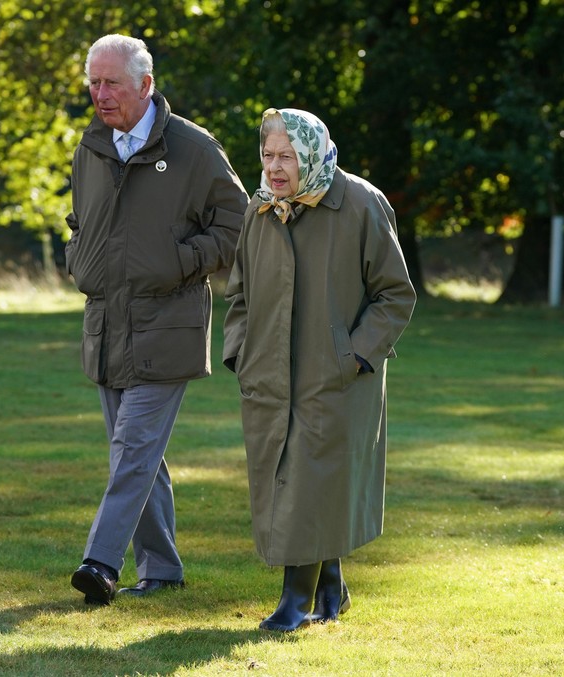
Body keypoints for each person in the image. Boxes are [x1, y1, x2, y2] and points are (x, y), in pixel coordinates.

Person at [64, 34, 248, 605]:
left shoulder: (194, 149)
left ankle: (99, 563)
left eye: (111, 82)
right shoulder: (90, 148)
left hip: (167, 325)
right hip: (106, 327)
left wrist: (179, 261)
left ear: (146, 85)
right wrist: (79, 257)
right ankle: (163, 569)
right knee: (141, 458)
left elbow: (239, 227)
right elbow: (81, 221)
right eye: (93, 82)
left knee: (134, 450)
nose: (99, 94)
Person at [223, 108, 416, 631]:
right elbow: (238, 291)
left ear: (310, 150)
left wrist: (353, 355)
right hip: (267, 374)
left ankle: (295, 603)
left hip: (333, 377)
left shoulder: (359, 203)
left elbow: (395, 294)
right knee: (292, 483)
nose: (276, 167)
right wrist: (239, 349)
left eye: (286, 155)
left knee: (307, 482)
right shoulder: (260, 208)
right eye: (268, 155)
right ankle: (332, 588)